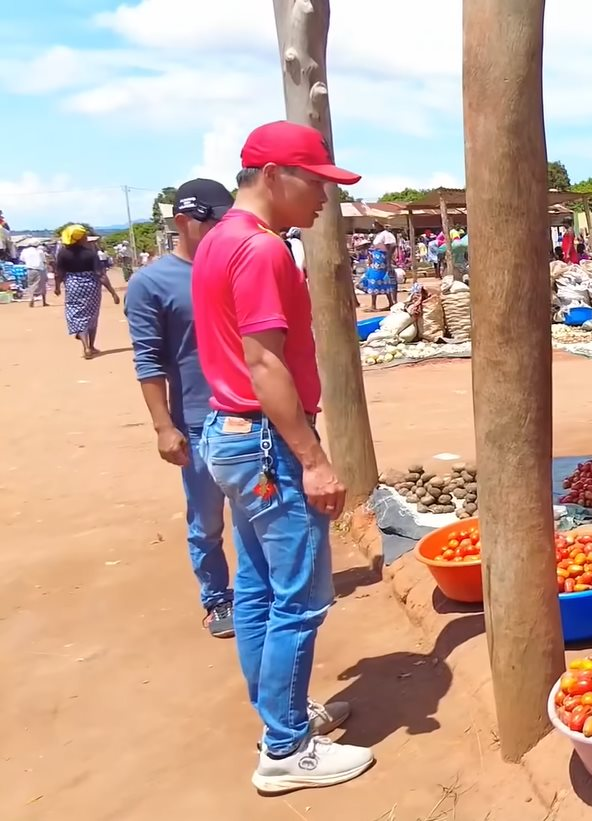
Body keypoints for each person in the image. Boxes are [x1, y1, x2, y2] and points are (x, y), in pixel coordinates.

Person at [191, 120, 371, 792]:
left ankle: (281, 715)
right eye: (317, 183)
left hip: (230, 434)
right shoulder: (263, 251)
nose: (326, 198)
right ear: (273, 178)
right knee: (299, 598)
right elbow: (264, 363)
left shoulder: (218, 241)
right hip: (265, 441)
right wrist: (314, 457)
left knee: (261, 592)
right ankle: (286, 748)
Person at [124, 178, 237, 639]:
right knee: (207, 518)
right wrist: (162, 426)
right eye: (213, 221)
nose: (221, 229)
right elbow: (148, 360)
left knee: (260, 511)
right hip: (195, 419)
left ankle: (259, 593)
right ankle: (217, 599)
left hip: (248, 415)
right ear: (183, 222)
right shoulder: (151, 283)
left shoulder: (235, 267)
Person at [56, 225, 112, 358]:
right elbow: (100, 274)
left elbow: (59, 273)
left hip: (73, 286)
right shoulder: (91, 253)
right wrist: (112, 292)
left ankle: (86, 347)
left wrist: (57, 287)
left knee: (77, 314)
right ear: (80, 238)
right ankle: (91, 346)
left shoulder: (63, 253)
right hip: (91, 286)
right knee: (92, 315)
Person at [360, 242, 396, 311]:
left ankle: (374, 306)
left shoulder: (372, 251)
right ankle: (390, 303)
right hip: (382, 269)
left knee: (374, 285)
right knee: (385, 286)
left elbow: (371, 261)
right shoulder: (381, 251)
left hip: (377, 270)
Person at [20, 242, 49, 307]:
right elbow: (44, 261)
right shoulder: (40, 251)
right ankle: (44, 302)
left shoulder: (25, 251)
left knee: (31, 285)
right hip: (40, 269)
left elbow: (22, 259)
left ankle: (31, 298)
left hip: (30, 269)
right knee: (42, 285)